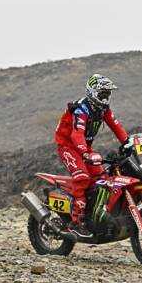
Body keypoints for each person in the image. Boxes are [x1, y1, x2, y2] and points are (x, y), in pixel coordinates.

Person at [53, 74, 131, 238]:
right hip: (69, 146)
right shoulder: (81, 109)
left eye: (108, 94)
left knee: (101, 177)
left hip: (84, 147)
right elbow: (76, 135)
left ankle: (93, 214)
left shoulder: (103, 109)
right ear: (93, 93)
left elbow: (116, 126)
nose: (106, 97)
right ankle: (75, 222)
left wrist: (128, 142)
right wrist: (84, 152)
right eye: (103, 93)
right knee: (82, 177)